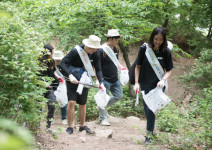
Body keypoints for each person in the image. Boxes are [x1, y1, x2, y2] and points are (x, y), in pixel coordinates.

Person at [134, 27, 173, 144]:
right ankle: (151, 130)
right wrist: (136, 82)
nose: (158, 42)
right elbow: (138, 67)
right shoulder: (144, 49)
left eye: (161, 40)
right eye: (156, 39)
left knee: (151, 110)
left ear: (164, 40)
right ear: (152, 38)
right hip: (145, 84)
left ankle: (148, 135)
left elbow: (169, 70)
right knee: (148, 110)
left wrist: (163, 80)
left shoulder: (166, 51)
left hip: (159, 85)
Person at [59, 35, 104, 135]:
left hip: (85, 79)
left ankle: (82, 126)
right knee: (72, 102)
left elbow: (98, 68)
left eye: (95, 48)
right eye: (92, 48)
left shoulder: (95, 53)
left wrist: (100, 81)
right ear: (87, 45)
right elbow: (62, 63)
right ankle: (70, 127)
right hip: (72, 79)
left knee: (83, 103)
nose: (94, 50)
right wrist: (69, 75)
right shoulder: (76, 51)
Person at [97, 29, 127, 126]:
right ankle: (103, 118)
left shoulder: (115, 48)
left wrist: (121, 67)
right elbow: (97, 67)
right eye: (116, 39)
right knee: (103, 98)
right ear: (111, 38)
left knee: (119, 96)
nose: (117, 41)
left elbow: (116, 61)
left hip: (114, 78)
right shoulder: (101, 50)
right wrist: (99, 80)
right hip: (105, 79)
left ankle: (103, 108)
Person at [39, 44, 64, 130]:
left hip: (50, 88)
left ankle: (48, 125)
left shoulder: (52, 61)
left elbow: (53, 72)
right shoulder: (39, 62)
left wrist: (58, 77)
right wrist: (44, 83)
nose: (53, 54)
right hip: (39, 88)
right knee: (38, 107)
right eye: (52, 53)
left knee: (52, 105)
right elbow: (36, 76)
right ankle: (36, 125)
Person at [53, 50, 68, 125]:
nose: (58, 61)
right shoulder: (51, 64)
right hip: (53, 84)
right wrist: (57, 76)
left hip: (63, 84)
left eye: (59, 60)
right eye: (57, 60)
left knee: (64, 101)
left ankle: (64, 118)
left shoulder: (64, 64)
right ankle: (51, 118)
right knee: (51, 101)